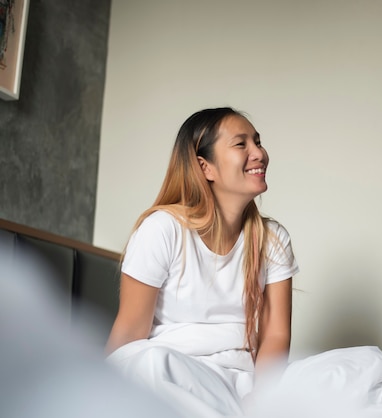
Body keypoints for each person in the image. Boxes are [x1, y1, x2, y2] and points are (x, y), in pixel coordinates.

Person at [105, 107, 299, 417]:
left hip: (239, 382)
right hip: (171, 375)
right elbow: (129, 332)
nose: (259, 153)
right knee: (151, 365)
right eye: (241, 144)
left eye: (258, 142)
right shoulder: (162, 229)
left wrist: (260, 400)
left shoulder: (273, 238)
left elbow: (276, 335)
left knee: (360, 371)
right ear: (204, 166)